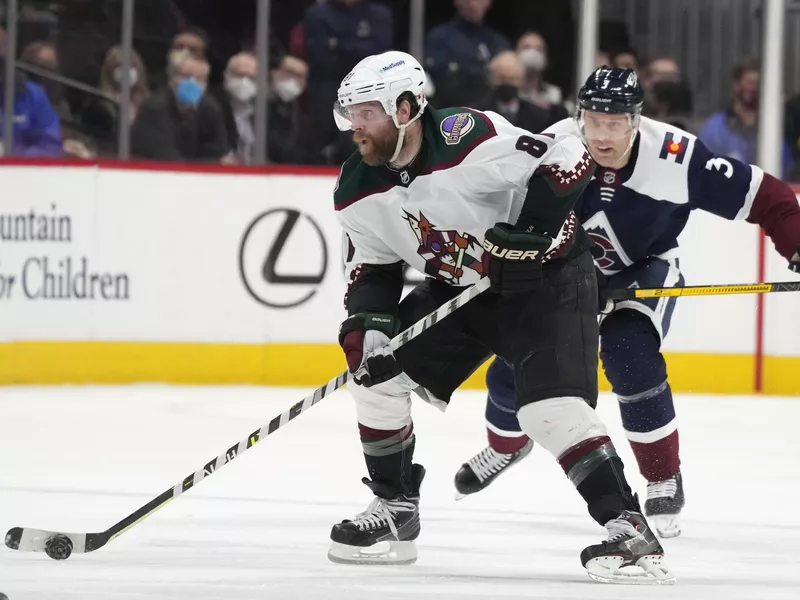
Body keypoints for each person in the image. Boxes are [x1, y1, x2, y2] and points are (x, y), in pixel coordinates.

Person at [328, 51, 673, 584]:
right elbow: (373, 266)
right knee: (376, 379)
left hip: (548, 281)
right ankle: (396, 510)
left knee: (547, 412)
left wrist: (533, 231)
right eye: (350, 113)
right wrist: (367, 327)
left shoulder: (467, 137)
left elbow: (568, 157)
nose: (356, 126)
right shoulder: (357, 186)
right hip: (464, 289)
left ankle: (628, 528)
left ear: (404, 109)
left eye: (366, 112)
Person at [454, 67, 800, 539]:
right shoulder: (554, 146)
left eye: (615, 123)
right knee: (518, 360)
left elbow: (772, 198)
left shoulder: (677, 157)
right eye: (593, 120)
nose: (603, 135)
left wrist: (796, 245)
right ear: (579, 117)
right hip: (565, 270)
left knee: (628, 351)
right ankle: (507, 445)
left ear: (636, 121)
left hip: (645, 268)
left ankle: (661, 476)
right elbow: (502, 207)